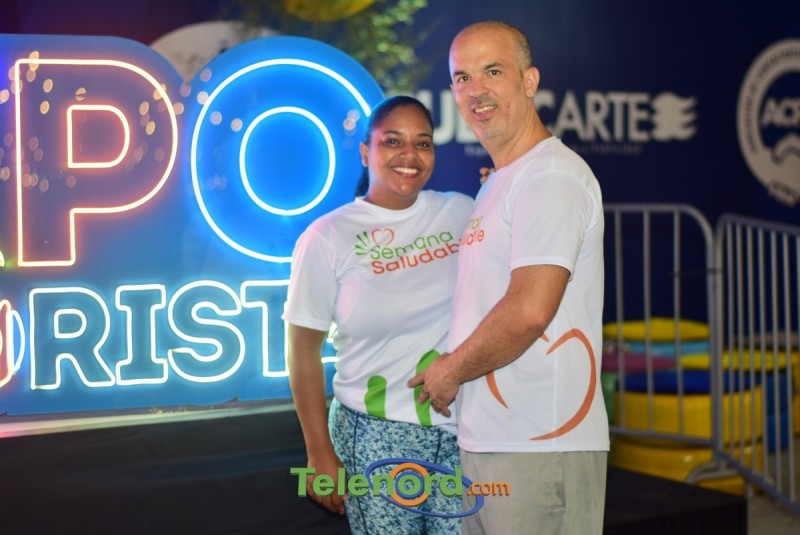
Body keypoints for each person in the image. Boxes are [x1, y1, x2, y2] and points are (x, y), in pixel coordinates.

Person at [409, 21, 609, 535]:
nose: (475, 90)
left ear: (529, 80)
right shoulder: (504, 179)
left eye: (492, 72)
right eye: (462, 77)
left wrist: (450, 370)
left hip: (541, 442)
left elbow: (529, 311)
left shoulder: (550, 177)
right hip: (494, 441)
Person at [284, 95, 474, 534]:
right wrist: (318, 453)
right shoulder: (327, 236)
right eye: (393, 141)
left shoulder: (462, 211)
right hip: (376, 437)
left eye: (422, 143)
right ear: (366, 152)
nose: (410, 155)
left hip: (460, 432)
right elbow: (301, 352)